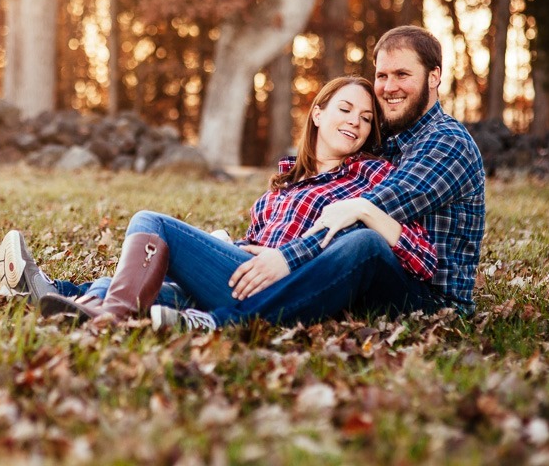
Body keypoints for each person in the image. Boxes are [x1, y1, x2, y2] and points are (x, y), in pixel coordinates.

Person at [0, 75, 439, 329]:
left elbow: (419, 259)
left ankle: (104, 314)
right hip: (246, 277)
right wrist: (233, 246)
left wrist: (286, 255)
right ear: (318, 114)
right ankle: (68, 299)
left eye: (365, 119)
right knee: (163, 279)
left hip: (305, 284)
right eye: (345, 109)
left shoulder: (375, 175)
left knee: (153, 221)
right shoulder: (280, 188)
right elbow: (252, 248)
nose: (355, 123)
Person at [150, 24, 486, 330]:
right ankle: (105, 297)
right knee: (188, 255)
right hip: (350, 279)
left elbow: (363, 212)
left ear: (434, 76)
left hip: (430, 300)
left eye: (402, 74)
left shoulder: (446, 143)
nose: (388, 86)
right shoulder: (392, 139)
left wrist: (285, 258)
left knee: (364, 242)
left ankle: (223, 323)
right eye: (382, 75)